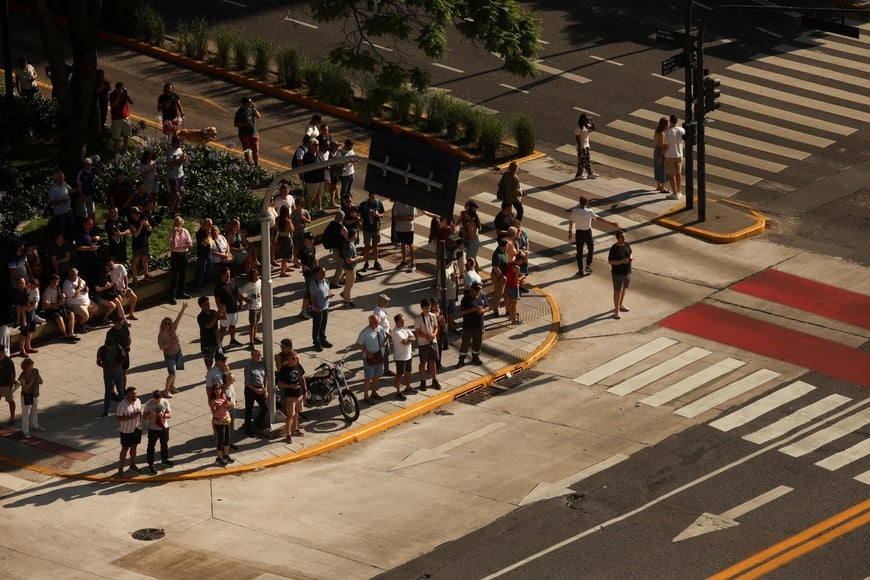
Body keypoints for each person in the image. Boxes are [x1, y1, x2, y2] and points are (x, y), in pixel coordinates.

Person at [568, 195, 619, 277]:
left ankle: (580, 270)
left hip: (579, 233)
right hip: (588, 233)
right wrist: (611, 223)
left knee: (579, 252)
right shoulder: (589, 212)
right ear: (587, 203)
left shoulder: (574, 212)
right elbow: (599, 219)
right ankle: (588, 266)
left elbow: (571, 222)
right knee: (591, 248)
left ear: (579, 202)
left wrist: (570, 232)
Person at [276, 348, 306, 442]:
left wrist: (305, 389)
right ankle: (288, 434)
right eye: (293, 359)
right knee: (290, 415)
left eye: (296, 358)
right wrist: (290, 386)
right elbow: (280, 383)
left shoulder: (298, 366)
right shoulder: (284, 370)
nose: (295, 360)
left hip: (299, 394)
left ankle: (295, 429)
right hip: (291, 396)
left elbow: (302, 377)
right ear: (288, 359)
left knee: (297, 412)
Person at [457, 281, 490, 367]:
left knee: (477, 342)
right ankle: (461, 359)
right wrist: (473, 310)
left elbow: (487, 306)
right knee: (465, 343)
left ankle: (475, 357)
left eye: (479, 290)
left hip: (479, 325)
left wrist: (483, 310)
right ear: (471, 289)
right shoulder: (466, 299)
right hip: (468, 326)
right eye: (476, 290)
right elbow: (462, 311)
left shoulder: (482, 296)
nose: (477, 292)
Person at [157, 304, 187, 397]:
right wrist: (170, 343)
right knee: (172, 373)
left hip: (178, 352)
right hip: (169, 355)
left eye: (169, 323)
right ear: (162, 324)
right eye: (165, 323)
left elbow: (178, 319)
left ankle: (172, 386)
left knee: (175, 371)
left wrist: (183, 308)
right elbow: (161, 347)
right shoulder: (161, 335)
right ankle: (166, 390)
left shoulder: (173, 329)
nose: (167, 325)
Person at [357, 314, 386, 403]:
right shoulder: (365, 332)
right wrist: (367, 352)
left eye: (377, 321)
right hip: (370, 358)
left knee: (377, 375)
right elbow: (358, 344)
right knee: (368, 377)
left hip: (379, 356)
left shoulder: (380, 329)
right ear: (370, 322)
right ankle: (366, 396)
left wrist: (385, 342)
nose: (377, 323)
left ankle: (374, 392)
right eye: (375, 321)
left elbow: (385, 338)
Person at [142, 390, 172, 474]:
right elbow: (144, 416)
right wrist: (151, 415)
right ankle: (150, 464)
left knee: (164, 444)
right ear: (153, 398)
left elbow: (170, 415)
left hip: (163, 427)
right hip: (153, 429)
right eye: (156, 400)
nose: (157, 402)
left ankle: (164, 459)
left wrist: (163, 415)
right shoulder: (148, 404)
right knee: (151, 447)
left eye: (158, 400)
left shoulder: (165, 402)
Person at [414, 298, 441, 391]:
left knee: (432, 361)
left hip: (433, 342)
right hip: (423, 343)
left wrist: (434, 334)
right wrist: (426, 336)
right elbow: (417, 332)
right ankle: (423, 381)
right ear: (422, 308)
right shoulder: (418, 319)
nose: (428, 310)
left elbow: (436, 326)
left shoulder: (433, 316)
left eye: (429, 308)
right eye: (426, 308)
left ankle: (434, 379)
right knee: (422, 363)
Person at [116, 386, 142, 477]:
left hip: (136, 428)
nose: (136, 395)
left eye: (136, 393)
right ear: (128, 394)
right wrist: (130, 417)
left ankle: (132, 465)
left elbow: (140, 413)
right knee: (125, 449)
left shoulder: (138, 401)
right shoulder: (122, 405)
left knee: (134, 447)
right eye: (134, 393)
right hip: (126, 431)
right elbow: (118, 418)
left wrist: (140, 424)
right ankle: (121, 468)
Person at [43, 274, 78, 342]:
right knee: (59, 318)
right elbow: (46, 306)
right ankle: (66, 335)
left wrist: (63, 297)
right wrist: (58, 304)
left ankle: (71, 333)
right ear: (51, 281)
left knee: (71, 314)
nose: (56, 284)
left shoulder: (58, 288)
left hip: (59, 307)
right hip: (50, 310)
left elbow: (61, 299)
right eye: (55, 282)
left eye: (57, 282)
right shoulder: (47, 291)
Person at [607, 229, 633, 319]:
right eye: (622, 237)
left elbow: (630, 253)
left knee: (624, 289)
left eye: (625, 236)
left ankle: (620, 305)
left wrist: (630, 258)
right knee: (617, 291)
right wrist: (621, 261)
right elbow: (610, 261)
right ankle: (616, 310)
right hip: (618, 274)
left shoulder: (627, 245)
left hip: (627, 272)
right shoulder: (614, 249)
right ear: (618, 238)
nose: (624, 238)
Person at [214, 267, 243, 348]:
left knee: (233, 325)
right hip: (226, 311)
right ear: (222, 275)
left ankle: (232, 340)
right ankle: (219, 346)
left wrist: (240, 301)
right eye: (227, 275)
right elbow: (217, 300)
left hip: (234, 308)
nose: (228, 276)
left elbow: (236, 293)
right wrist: (221, 312)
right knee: (223, 328)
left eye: (229, 275)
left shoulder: (232, 281)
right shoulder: (218, 286)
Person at [243, 349, 269, 436]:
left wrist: (265, 389)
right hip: (251, 389)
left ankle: (257, 424)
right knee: (249, 409)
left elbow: (265, 377)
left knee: (264, 407)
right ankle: (248, 429)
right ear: (252, 356)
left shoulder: (262, 364)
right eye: (257, 356)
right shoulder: (249, 366)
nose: (259, 357)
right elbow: (247, 382)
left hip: (260, 388)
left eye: (260, 355)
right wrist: (256, 390)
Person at [358, 192, 385, 271]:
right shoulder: (364, 204)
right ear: (369, 197)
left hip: (376, 229)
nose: (373, 199)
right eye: (372, 197)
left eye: (374, 197)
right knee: (366, 247)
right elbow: (359, 215)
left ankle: (376, 262)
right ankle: (366, 263)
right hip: (367, 229)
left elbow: (382, 213)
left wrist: (378, 215)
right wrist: (359, 224)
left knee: (375, 246)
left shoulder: (378, 203)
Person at [209, 383, 235, 466]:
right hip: (219, 422)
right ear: (213, 391)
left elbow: (228, 407)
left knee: (227, 439)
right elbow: (214, 413)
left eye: (219, 388)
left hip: (226, 420)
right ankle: (218, 457)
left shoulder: (223, 396)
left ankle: (226, 454)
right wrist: (222, 405)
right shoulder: (213, 401)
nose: (218, 390)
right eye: (216, 389)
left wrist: (229, 405)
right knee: (221, 440)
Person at [17, 358, 44, 438]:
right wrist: (32, 381)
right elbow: (24, 389)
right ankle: (25, 431)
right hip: (27, 395)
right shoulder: (23, 376)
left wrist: (37, 380)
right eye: (31, 364)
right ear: (27, 366)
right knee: (26, 414)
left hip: (35, 394)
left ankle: (34, 425)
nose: (32, 366)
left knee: (34, 411)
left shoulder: (35, 371)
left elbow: (41, 381)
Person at [391, 313, 415, 399]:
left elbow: (413, 337)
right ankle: (398, 391)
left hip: (408, 355)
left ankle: (408, 387)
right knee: (399, 374)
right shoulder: (395, 332)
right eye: (401, 321)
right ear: (396, 322)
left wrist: (409, 339)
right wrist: (410, 339)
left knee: (408, 372)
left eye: (404, 321)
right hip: (400, 357)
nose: (403, 323)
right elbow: (404, 342)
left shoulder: (405, 328)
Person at [309, 266, 333, 352]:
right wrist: (316, 307)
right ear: (316, 273)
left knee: (323, 324)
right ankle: (316, 342)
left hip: (325, 307)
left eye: (324, 272)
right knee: (317, 326)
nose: (324, 274)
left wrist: (329, 294)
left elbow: (328, 290)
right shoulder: (314, 283)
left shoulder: (326, 281)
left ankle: (322, 339)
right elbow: (313, 298)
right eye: (322, 272)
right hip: (318, 309)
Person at [129, 207, 154, 286]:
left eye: (138, 213)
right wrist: (141, 225)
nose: (138, 215)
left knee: (145, 259)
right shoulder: (131, 223)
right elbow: (135, 235)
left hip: (144, 243)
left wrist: (147, 225)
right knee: (135, 261)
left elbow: (150, 229)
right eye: (136, 214)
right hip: (137, 245)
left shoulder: (143, 218)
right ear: (132, 215)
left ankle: (146, 274)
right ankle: (134, 278)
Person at [662, 114, 686, 199]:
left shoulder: (669, 132)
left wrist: (662, 154)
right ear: (677, 121)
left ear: (670, 121)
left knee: (671, 175)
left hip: (670, 156)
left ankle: (674, 193)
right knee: (678, 174)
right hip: (679, 155)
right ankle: (679, 191)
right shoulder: (682, 130)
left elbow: (665, 146)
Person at [106, 255, 138, 320]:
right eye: (108, 265)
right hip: (115, 290)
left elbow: (126, 278)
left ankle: (131, 313)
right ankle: (119, 317)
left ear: (114, 262)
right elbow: (109, 285)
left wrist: (126, 288)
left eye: (111, 265)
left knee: (134, 297)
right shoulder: (107, 271)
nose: (110, 267)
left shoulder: (120, 267)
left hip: (123, 288)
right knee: (119, 301)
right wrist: (117, 289)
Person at [13, 277, 38, 355]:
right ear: (17, 284)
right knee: (24, 333)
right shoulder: (15, 293)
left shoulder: (27, 290)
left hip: (31, 312)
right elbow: (16, 305)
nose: (21, 285)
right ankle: (22, 350)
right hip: (23, 315)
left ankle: (28, 347)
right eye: (20, 283)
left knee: (31, 331)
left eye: (23, 283)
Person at [62, 268, 91, 334]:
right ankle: (79, 326)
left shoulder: (78, 278)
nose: (75, 277)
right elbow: (74, 295)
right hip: (75, 304)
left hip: (86, 302)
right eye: (73, 276)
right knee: (86, 316)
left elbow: (85, 285)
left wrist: (86, 288)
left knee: (95, 309)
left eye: (76, 275)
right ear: (69, 275)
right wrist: (78, 286)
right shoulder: (67, 284)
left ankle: (82, 325)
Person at [234, 96, 261, 167]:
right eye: (249, 102)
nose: (251, 103)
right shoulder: (239, 112)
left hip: (254, 133)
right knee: (247, 151)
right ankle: (249, 165)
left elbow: (258, 116)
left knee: (255, 151)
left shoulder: (251, 109)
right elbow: (236, 124)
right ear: (244, 104)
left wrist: (254, 109)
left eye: (251, 102)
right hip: (244, 134)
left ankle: (257, 166)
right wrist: (245, 124)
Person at [340, 227, 364, 308]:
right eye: (356, 233)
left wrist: (356, 255)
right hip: (350, 268)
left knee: (349, 284)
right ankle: (347, 301)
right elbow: (348, 260)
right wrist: (358, 258)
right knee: (349, 285)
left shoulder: (350, 242)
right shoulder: (349, 246)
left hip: (350, 267)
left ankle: (345, 295)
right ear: (353, 235)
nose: (357, 235)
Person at [197, 296, 221, 370]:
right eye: (205, 304)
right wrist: (216, 316)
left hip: (216, 342)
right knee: (209, 365)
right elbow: (209, 326)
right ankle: (209, 378)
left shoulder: (213, 312)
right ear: (201, 306)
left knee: (220, 361)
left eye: (208, 303)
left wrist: (222, 310)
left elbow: (223, 318)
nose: (208, 305)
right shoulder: (200, 317)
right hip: (207, 344)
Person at [392, 201, 417, 272]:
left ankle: (413, 263)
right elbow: (395, 218)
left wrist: (400, 217)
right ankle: (404, 261)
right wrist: (406, 217)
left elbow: (412, 217)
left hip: (409, 229)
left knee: (410, 245)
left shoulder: (412, 204)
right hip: (399, 229)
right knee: (402, 244)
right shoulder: (397, 203)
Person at [240, 268, 262, 347]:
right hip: (252, 307)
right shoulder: (248, 285)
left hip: (259, 305)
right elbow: (239, 293)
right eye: (254, 276)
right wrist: (245, 299)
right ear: (251, 277)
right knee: (252, 324)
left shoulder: (260, 282)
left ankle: (254, 337)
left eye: (257, 275)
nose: (256, 277)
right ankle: (251, 341)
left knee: (256, 323)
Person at [109, 81, 134, 151]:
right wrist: (119, 95)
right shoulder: (112, 94)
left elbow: (132, 102)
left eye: (122, 88)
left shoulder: (124, 95)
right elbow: (113, 105)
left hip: (126, 117)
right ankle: (116, 150)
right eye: (120, 88)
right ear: (117, 88)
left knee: (126, 135)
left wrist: (127, 95)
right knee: (116, 137)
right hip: (116, 118)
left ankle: (125, 148)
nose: (121, 89)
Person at [374, 294, 394, 377]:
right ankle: (380, 371)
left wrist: (389, 330)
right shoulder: (377, 312)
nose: (387, 302)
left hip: (386, 335)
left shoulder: (382, 309)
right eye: (385, 301)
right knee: (383, 354)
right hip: (382, 337)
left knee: (386, 353)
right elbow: (377, 326)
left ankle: (385, 369)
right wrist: (386, 333)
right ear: (380, 301)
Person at [505, 251, 527, 324]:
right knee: (514, 305)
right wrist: (522, 277)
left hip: (508, 285)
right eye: (522, 261)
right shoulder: (517, 268)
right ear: (520, 260)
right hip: (514, 287)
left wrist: (518, 274)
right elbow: (516, 279)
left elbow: (510, 273)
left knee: (510, 302)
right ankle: (514, 320)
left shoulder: (511, 263)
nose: (522, 263)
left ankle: (510, 317)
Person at [574, 112, 598, 180]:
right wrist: (580, 148)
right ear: (582, 120)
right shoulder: (578, 129)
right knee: (581, 161)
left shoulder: (586, 126)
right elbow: (577, 139)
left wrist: (592, 121)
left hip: (586, 146)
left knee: (587, 160)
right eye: (586, 119)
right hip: (581, 147)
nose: (587, 120)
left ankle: (590, 173)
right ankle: (578, 175)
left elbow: (593, 128)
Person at [459, 201, 482, 269]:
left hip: (472, 243)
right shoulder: (470, 221)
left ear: (469, 215)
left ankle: (475, 272)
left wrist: (465, 232)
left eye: (467, 215)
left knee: (471, 260)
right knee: (472, 259)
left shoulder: (471, 224)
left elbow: (471, 237)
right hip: (471, 242)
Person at [166, 136, 187, 212]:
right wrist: (180, 160)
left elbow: (181, 161)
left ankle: (176, 207)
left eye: (180, 142)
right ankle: (172, 208)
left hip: (180, 174)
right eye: (178, 143)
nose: (179, 144)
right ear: (173, 143)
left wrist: (184, 159)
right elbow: (170, 165)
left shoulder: (180, 149)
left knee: (180, 192)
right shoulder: (170, 153)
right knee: (175, 193)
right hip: (173, 175)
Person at [490, 238, 509, 317]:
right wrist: (502, 277)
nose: (508, 246)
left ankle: (508, 309)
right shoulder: (497, 255)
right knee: (499, 293)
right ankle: (495, 309)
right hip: (498, 276)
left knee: (506, 294)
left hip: (504, 276)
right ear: (503, 246)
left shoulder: (503, 252)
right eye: (507, 245)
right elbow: (496, 268)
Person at [274, 205, 294, 277]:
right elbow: (292, 230)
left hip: (280, 237)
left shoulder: (277, 219)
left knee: (283, 253)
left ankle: (286, 267)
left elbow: (276, 228)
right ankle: (282, 271)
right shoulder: (287, 221)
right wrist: (291, 222)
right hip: (286, 238)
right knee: (285, 256)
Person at [195, 218, 214, 290]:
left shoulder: (207, 231)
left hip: (209, 254)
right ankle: (198, 287)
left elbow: (210, 243)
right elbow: (204, 244)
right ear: (205, 224)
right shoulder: (200, 233)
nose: (211, 226)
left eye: (211, 225)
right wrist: (208, 235)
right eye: (209, 225)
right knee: (201, 272)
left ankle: (207, 285)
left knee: (209, 271)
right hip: (202, 255)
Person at [0, 348, 17, 426]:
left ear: (3, 352)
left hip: (6, 385)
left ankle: (12, 417)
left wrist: (11, 385)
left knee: (10, 401)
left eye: (1, 353)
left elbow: (13, 374)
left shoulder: (8, 362)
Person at [653, 116, 669, 193]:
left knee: (657, 168)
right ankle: (663, 188)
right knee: (663, 169)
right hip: (660, 151)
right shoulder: (662, 134)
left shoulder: (656, 131)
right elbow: (661, 145)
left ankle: (658, 185)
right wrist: (663, 155)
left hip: (656, 150)